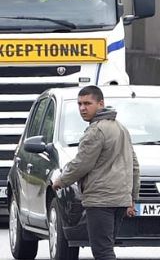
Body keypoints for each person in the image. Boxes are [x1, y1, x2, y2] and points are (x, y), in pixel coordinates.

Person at [51, 86, 140, 260]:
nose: (83, 108)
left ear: (101, 103)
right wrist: (132, 198)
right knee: (106, 247)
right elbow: (134, 165)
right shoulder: (121, 128)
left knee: (102, 251)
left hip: (101, 201)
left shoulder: (96, 131)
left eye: (87, 103)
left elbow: (81, 164)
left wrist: (60, 181)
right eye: (80, 104)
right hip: (119, 200)